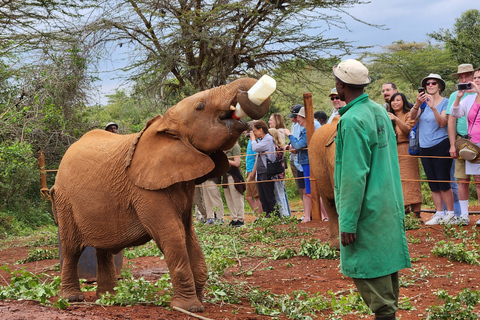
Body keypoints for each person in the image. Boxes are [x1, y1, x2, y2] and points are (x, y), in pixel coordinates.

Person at [333, 59, 411, 320]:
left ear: (341, 85)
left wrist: (347, 221)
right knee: (385, 266)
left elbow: (354, 176)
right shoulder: (379, 111)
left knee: (371, 273)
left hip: (366, 209)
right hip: (388, 203)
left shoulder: (352, 120)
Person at [410, 73, 455, 225]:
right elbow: (411, 117)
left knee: (443, 180)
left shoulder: (446, 102)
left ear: (439, 86)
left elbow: (442, 123)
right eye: (427, 83)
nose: (430, 85)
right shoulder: (422, 103)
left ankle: (450, 213)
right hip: (424, 146)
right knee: (432, 182)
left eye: (433, 83)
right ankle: (439, 213)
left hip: (440, 144)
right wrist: (417, 103)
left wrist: (433, 108)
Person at [284, 107, 327, 222]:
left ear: (304, 117)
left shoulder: (310, 127)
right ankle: (309, 216)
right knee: (307, 191)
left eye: (299, 117)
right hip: (304, 161)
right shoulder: (306, 127)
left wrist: (289, 135)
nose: (297, 119)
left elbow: (299, 145)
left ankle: (325, 215)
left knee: (312, 191)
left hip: (309, 161)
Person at [450, 67, 480, 226]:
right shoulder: (468, 99)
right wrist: (458, 97)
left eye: (478, 77)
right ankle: (464, 215)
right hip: (468, 144)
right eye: (475, 77)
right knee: (462, 178)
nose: (476, 80)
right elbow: (455, 113)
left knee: (479, 179)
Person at [387, 93, 422, 216]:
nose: (395, 103)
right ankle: (403, 211)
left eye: (398, 100)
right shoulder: (387, 116)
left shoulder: (409, 114)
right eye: (393, 101)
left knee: (411, 179)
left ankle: (417, 212)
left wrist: (396, 119)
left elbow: (408, 130)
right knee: (397, 180)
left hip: (407, 149)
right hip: (392, 151)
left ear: (404, 102)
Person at [250, 120, 279, 218]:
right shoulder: (263, 140)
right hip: (261, 173)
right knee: (263, 197)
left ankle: (275, 216)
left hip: (267, 172)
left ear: (261, 130)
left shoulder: (268, 138)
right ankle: (268, 216)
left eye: (255, 131)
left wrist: (253, 140)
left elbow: (256, 148)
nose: (254, 133)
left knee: (269, 196)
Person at [287, 105, 306, 218]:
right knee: (302, 188)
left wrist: (289, 136)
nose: (294, 119)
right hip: (296, 159)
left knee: (307, 189)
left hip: (303, 160)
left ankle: (317, 213)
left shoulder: (303, 126)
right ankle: (307, 212)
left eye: (296, 116)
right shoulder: (295, 125)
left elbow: (299, 143)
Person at [268, 128, 290, 217]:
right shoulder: (280, 146)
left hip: (277, 174)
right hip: (281, 174)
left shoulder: (275, 148)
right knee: (281, 194)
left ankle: (284, 215)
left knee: (278, 195)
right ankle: (285, 214)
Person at [223, 142, 246, 227]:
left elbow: (237, 163)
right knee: (229, 198)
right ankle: (234, 218)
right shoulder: (224, 148)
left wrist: (225, 160)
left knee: (236, 197)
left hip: (233, 175)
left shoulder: (235, 146)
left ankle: (240, 219)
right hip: (225, 175)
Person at [244, 125, 263, 216]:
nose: (244, 133)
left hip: (253, 171)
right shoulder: (249, 142)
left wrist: (253, 173)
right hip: (249, 171)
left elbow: (257, 158)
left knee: (257, 195)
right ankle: (259, 216)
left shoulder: (255, 142)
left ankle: (260, 217)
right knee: (248, 197)